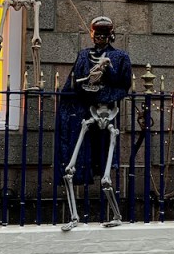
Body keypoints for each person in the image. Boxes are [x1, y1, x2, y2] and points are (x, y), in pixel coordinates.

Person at [54, 17, 133, 225]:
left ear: (110, 36)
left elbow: (124, 85)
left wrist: (108, 70)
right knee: (74, 163)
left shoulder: (120, 57)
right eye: (97, 35)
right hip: (88, 111)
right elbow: (76, 84)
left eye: (104, 35)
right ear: (92, 35)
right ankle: (74, 215)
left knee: (106, 162)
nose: (100, 39)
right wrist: (89, 79)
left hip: (109, 112)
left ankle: (115, 215)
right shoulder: (83, 56)